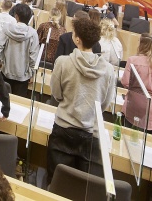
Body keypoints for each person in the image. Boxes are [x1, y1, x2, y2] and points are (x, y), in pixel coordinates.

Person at [47, 13, 115, 183]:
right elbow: (105, 104)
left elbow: (56, 94)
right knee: (82, 188)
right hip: (90, 133)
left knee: (57, 183)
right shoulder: (108, 70)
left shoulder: (63, 62)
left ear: (77, 39)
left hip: (63, 129)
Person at [0, 3, 38, 97]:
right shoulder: (33, 33)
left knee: (3, 103)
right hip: (23, 76)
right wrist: (32, 72)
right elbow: (34, 56)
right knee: (18, 104)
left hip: (6, 72)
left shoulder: (7, 29)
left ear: (16, 16)